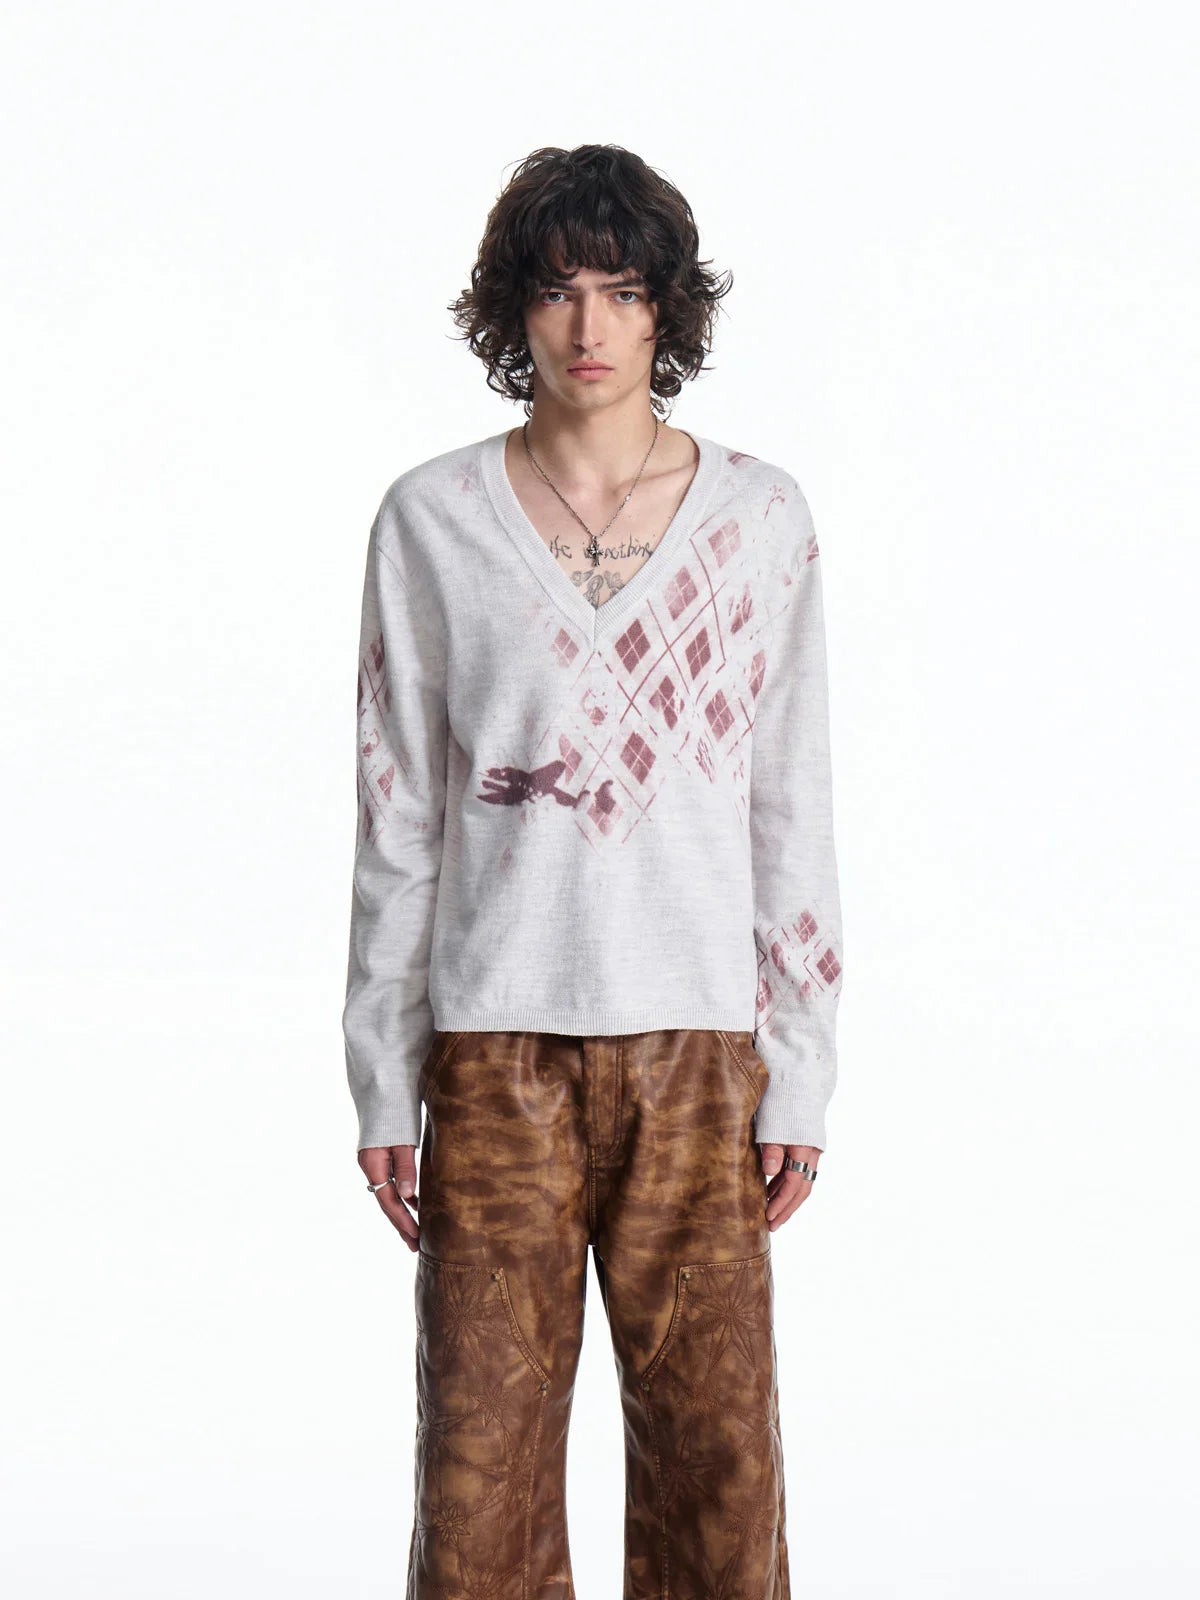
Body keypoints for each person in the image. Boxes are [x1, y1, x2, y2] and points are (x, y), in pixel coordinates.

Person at [342, 143, 844, 1600]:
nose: (588, 326)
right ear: (514, 309)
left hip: (700, 1051)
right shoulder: (432, 520)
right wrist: (382, 1076)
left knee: (718, 1476)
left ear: (666, 310)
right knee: (477, 1477)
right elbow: (397, 816)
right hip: (492, 1051)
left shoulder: (760, 519)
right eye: (558, 289)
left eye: (622, 291)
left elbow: (790, 804)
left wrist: (801, 1073)